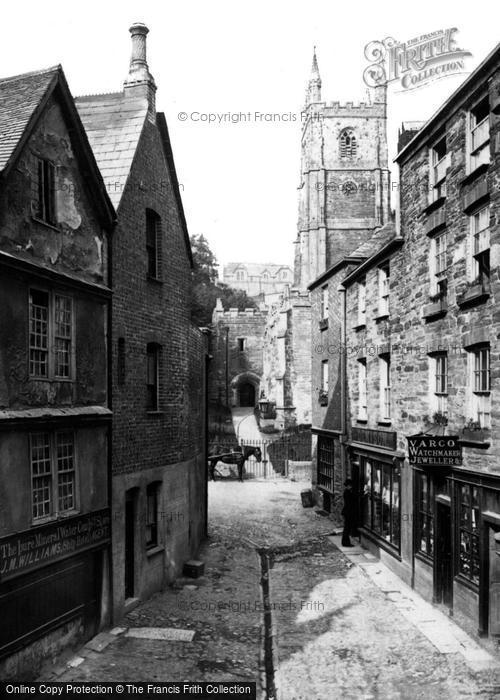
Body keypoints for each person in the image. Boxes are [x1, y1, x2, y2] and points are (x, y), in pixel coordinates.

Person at [341, 478, 356, 547]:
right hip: (348, 512)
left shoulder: (348, 492)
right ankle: (346, 542)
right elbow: (350, 502)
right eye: (350, 485)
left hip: (347, 512)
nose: (351, 486)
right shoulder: (347, 492)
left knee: (347, 528)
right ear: (348, 486)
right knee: (347, 528)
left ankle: (345, 542)